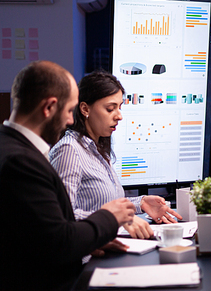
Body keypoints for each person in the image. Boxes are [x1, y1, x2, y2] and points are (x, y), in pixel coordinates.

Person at [0, 61, 136, 291]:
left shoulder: (12, 148)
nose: (71, 121)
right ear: (49, 107)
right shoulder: (21, 162)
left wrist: (89, 240)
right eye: (68, 110)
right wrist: (108, 219)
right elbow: (59, 241)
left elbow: (37, 235)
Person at [50, 71, 182, 240]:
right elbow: (61, 216)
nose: (119, 116)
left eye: (120, 107)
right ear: (85, 109)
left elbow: (103, 204)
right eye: (110, 109)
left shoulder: (96, 148)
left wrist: (140, 203)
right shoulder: (69, 151)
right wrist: (114, 219)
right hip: (86, 258)